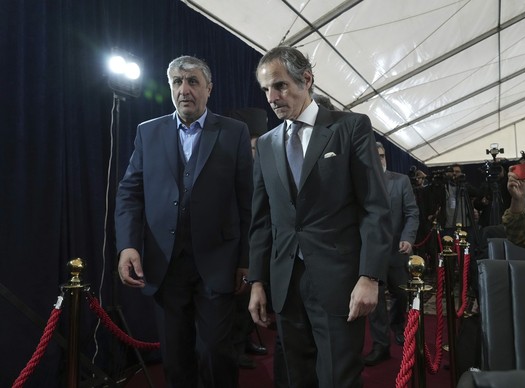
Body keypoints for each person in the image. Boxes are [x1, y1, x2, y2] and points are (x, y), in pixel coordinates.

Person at [247, 45, 392, 388]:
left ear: (307, 80)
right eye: (266, 89)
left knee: (339, 378)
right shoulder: (266, 144)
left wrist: (369, 275)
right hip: (285, 282)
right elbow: (261, 219)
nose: (272, 96)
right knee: (298, 378)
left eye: (280, 85)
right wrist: (256, 281)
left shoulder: (351, 127)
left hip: (340, 281)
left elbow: (375, 206)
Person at [115, 55, 253, 387]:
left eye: (192, 81)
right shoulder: (148, 133)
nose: (184, 89)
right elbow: (130, 194)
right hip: (165, 265)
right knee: (175, 359)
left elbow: (247, 200)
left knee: (216, 354)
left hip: (218, 262)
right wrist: (128, 246)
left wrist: (247, 260)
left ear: (209, 88)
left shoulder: (234, 132)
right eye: (177, 81)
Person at [364, 142, 419, 366]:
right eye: (375, 156)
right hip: (370, 255)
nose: (380, 159)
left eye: (382, 155)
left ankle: (398, 326)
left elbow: (412, 213)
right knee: (374, 303)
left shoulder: (401, 181)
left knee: (402, 294)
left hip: (397, 253)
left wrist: (408, 237)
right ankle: (380, 345)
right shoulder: (361, 183)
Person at [225, 107, 270, 369]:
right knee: (235, 300)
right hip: (236, 246)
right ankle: (234, 348)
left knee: (247, 301)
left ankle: (245, 339)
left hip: (258, 245)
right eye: (253, 149)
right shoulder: (232, 170)